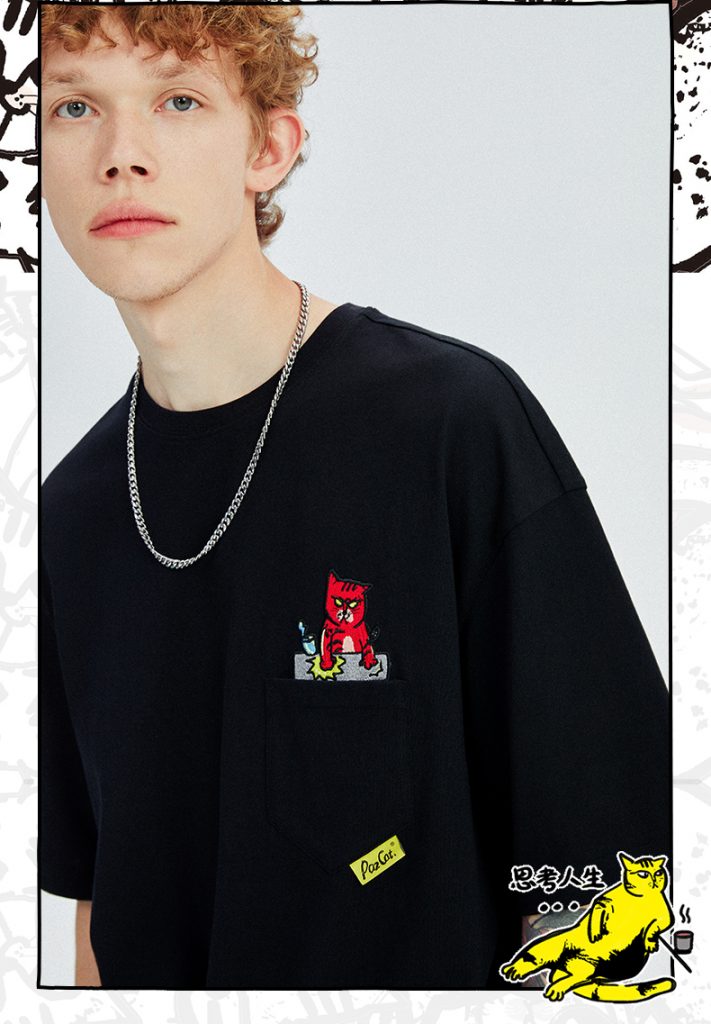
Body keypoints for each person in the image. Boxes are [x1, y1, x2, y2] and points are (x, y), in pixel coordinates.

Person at [40, 4, 671, 991]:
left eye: (179, 100)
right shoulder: (65, 517)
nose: (121, 155)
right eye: (74, 108)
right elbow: (98, 916)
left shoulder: (452, 427)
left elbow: (608, 891)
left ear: (268, 149)